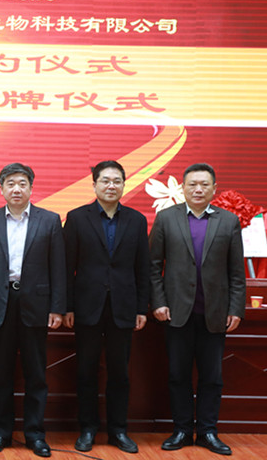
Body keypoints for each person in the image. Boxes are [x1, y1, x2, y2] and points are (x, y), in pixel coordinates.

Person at [150, 163, 246, 456]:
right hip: (176, 312)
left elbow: (236, 272)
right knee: (178, 375)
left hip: (215, 313)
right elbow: (153, 266)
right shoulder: (166, 218)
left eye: (204, 184)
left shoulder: (228, 221)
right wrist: (159, 302)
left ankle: (207, 432)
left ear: (214, 189)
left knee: (212, 377)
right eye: (192, 184)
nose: (198, 189)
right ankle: (181, 430)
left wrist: (236, 308)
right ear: (183, 188)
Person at [0, 163, 65, 458]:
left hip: (36, 305)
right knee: (1, 374)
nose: (16, 189)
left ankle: (35, 434)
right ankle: (1, 432)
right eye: (10, 183)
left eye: (22, 183)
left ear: (31, 188)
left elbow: (58, 268)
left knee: (36, 374)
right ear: (1, 189)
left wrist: (57, 307)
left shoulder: (49, 220)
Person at [62, 160, 150, 454]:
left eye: (117, 181)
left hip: (123, 307)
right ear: (94, 185)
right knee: (86, 371)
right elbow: (67, 267)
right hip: (86, 306)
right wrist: (67, 306)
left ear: (124, 185)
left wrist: (141, 308)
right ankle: (87, 429)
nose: (111, 186)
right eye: (105, 180)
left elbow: (142, 267)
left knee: (119, 373)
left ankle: (118, 430)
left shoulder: (137, 220)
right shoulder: (77, 218)